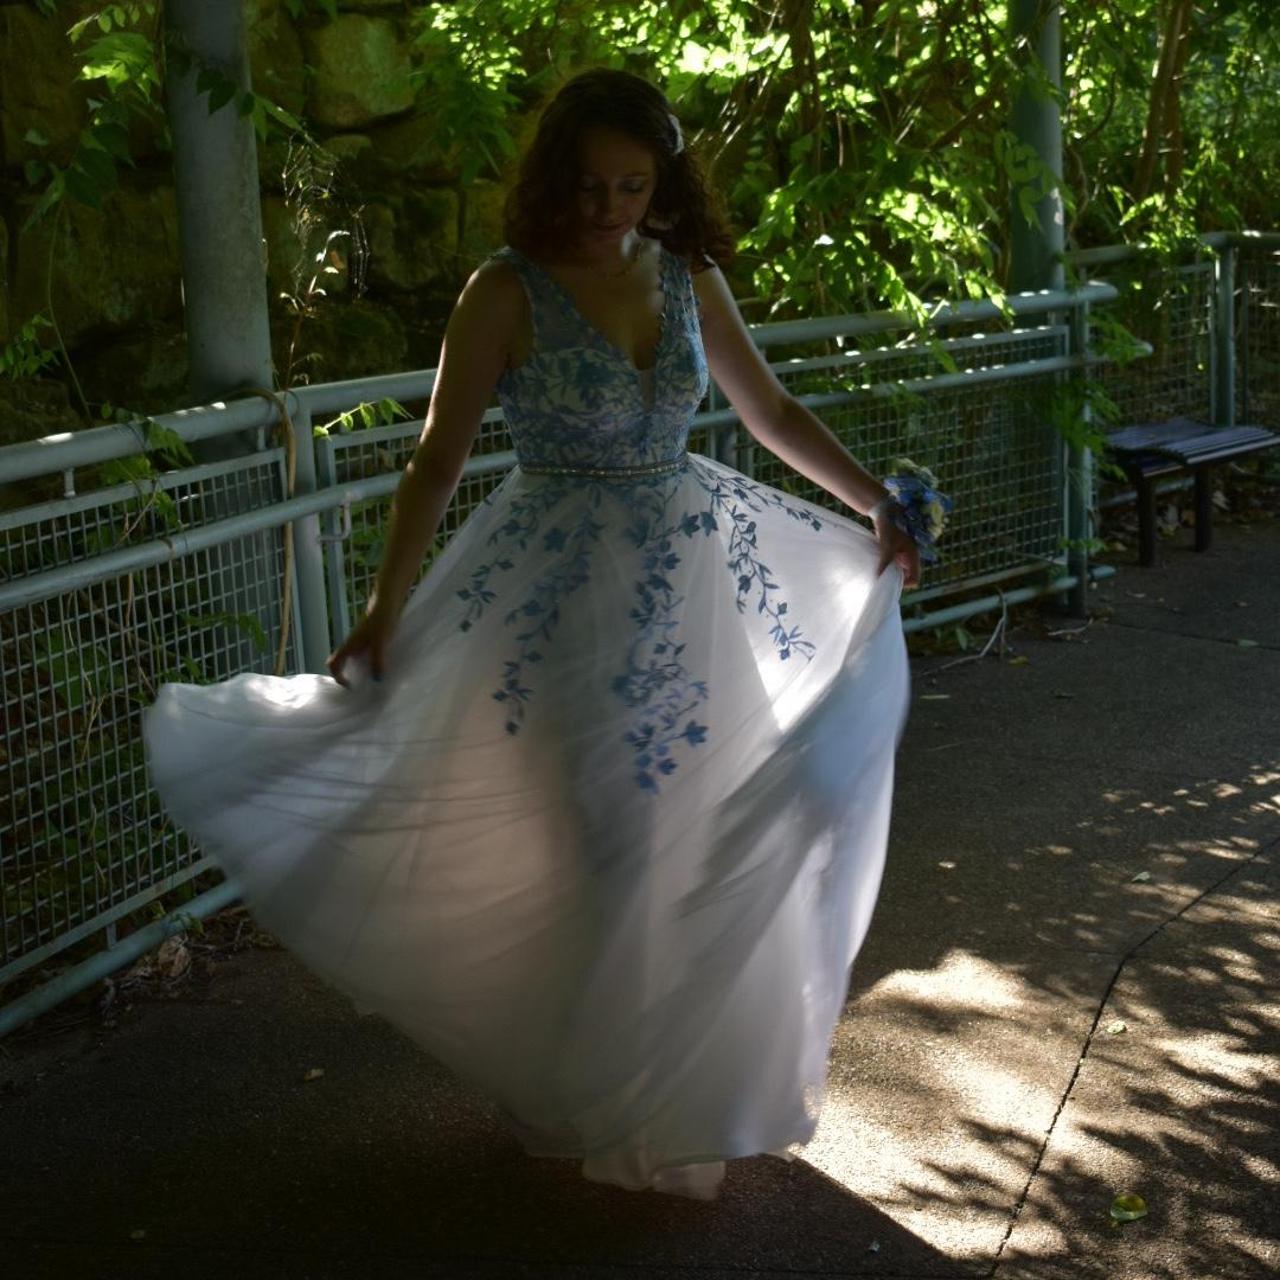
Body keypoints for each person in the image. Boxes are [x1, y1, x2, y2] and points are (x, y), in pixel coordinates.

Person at [144, 68, 930, 1201]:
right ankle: (601, 1100)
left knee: (689, 833)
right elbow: (435, 461)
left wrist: (874, 503)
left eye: (634, 183)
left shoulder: (686, 272)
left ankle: (667, 1090)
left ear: (660, 182)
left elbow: (770, 413)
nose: (612, 206)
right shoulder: (501, 293)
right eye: (593, 183)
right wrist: (382, 606)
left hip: (695, 583)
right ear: (554, 177)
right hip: (555, 597)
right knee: (604, 844)